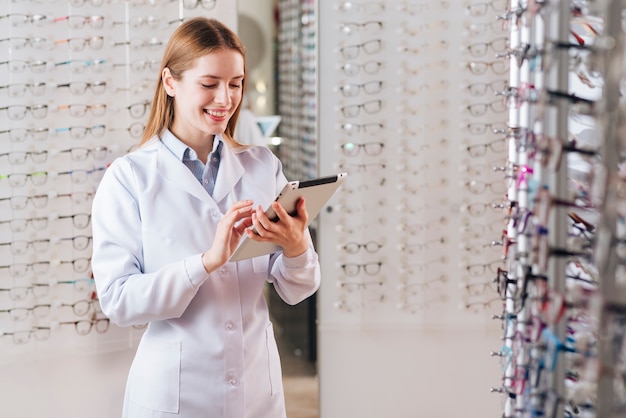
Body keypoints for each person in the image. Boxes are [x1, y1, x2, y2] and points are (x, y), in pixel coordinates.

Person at [91, 17, 321, 418]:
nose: (225, 99)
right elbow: (119, 300)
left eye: (235, 84)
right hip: (175, 394)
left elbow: (296, 289)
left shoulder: (261, 167)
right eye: (209, 83)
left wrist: (297, 247)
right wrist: (205, 262)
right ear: (170, 83)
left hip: (255, 388)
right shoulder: (129, 178)